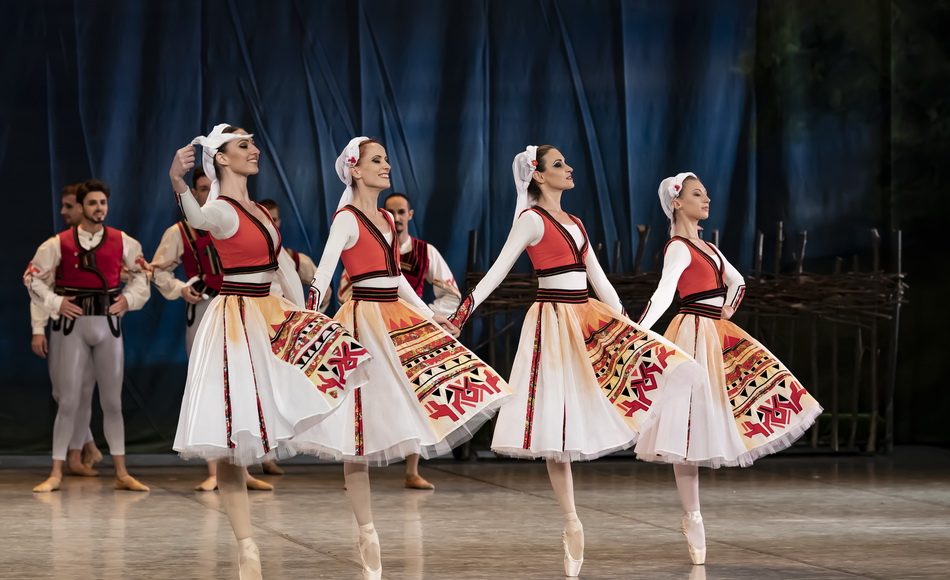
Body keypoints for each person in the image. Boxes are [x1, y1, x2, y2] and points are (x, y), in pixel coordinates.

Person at [447, 146, 705, 576]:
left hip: (586, 317)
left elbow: (598, 279)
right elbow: (497, 271)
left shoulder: (577, 223)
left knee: (635, 380)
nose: (568, 169)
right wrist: (461, 314)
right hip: (551, 323)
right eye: (558, 165)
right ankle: (571, 520)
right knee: (554, 421)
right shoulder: (531, 220)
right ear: (538, 175)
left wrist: (629, 324)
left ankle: (682, 508)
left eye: (566, 163)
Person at [297, 136, 511, 580]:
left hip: (393, 316)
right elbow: (324, 273)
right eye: (377, 160)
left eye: (387, 160)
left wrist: (431, 316)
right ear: (355, 169)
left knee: (422, 390)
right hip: (361, 321)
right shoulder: (347, 218)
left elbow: (397, 280)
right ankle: (366, 530)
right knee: (355, 428)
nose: (386, 166)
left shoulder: (385, 220)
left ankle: (395, 492)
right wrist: (309, 318)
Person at [169, 124, 371, 580]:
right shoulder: (221, 209)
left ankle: (356, 501)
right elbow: (198, 220)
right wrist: (178, 182)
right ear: (222, 158)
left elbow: (281, 266)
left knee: (332, 376)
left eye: (253, 143)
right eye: (244, 145)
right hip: (236, 321)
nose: (254, 149)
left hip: (270, 313)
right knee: (229, 434)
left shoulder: (259, 209)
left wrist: (307, 314)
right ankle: (247, 545)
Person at [636, 172, 823, 564]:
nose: (706, 199)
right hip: (691, 333)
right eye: (697, 194)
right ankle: (693, 515)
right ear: (677, 202)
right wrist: (638, 332)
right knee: (684, 429)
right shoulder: (678, 248)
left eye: (706, 193)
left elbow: (738, 282)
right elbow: (664, 293)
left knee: (734, 402)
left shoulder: (710, 248)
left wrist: (725, 311)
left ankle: (693, 515)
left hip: (714, 332)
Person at [150, 167, 274, 492]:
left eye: (211, 187)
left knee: (245, 384)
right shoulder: (182, 231)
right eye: (202, 189)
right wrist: (181, 289)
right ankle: (214, 468)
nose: (208, 193)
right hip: (207, 310)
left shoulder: (238, 220)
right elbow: (158, 270)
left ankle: (242, 465)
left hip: (243, 309)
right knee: (210, 386)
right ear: (194, 192)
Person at [27, 179, 152, 493]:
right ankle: (56, 471)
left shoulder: (123, 241)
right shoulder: (58, 243)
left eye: (103, 203)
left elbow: (143, 275)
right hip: (75, 327)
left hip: (108, 327)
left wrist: (129, 300)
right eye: (93, 203)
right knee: (69, 401)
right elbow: (31, 278)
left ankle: (121, 472)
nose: (99, 208)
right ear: (82, 206)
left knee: (112, 402)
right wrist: (55, 302)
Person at [338, 191, 462, 491]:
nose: (396, 217)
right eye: (391, 212)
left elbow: (451, 294)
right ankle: (358, 464)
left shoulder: (424, 251)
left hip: (407, 329)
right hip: (371, 327)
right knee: (366, 392)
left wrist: (425, 316)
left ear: (410, 215)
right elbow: (345, 289)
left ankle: (412, 470)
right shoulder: (366, 243)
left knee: (413, 394)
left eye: (401, 212)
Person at [26, 183, 103, 476]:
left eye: (69, 206)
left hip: (94, 325)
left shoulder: (103, 243)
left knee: (83, 391)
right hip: (64, 326)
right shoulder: (58, 245)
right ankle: (88, 445)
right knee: (63, 393)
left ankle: (75, 454)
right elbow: (37, 286)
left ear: (82, 208)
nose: (63, 211)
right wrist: (38, 328)